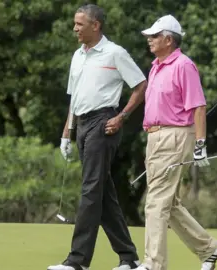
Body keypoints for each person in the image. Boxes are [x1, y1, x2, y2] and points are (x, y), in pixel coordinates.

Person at [47, 4, 148, 270]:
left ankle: (77, 261)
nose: (75, 28)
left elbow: (140, 85)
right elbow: (74, 97)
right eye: (74, 23)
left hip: (104, 123)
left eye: (80, 24)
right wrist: (66, 133)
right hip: (81, 125)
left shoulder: (115, 53)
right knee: (102, 193)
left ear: (96, 25)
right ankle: (129, 257)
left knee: (91, 190)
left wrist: (122, 116)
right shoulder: (77, 55)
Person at [135, 15, 217, 270]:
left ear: (168, 39)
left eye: (154, 36)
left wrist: (200, 145)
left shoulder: (184, 65)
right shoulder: (156, 66)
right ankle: (209, 248)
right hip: (155, 137)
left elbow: (198, 106)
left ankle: (154, 264)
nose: (149, 40)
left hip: (174, 135)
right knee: (168, 203)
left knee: (155, 202)